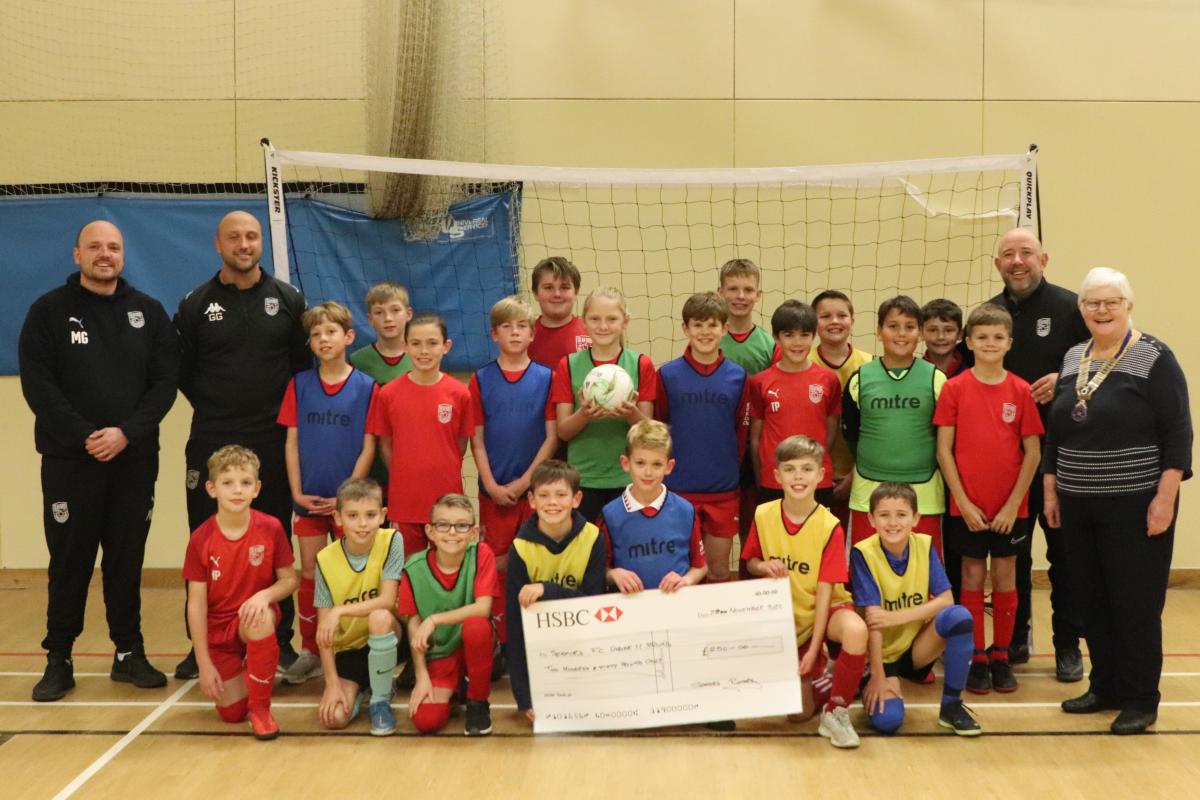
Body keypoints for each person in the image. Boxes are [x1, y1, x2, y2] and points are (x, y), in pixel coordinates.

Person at [20, 220, 179, 701]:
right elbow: (39, 385)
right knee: (69, 560)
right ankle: (59, 657)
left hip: (133, 460)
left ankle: (128, 652)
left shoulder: (148, 313)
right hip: (71, 460)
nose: (104, 254)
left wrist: (126, 433)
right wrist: (87, 436)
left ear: (123, 256)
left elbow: (164, 385)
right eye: (95, 247)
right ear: (76, 255)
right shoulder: (48, 312)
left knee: (126, 560)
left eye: (113, 247)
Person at [1044, 267, 1192, 734]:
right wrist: (1051, 487)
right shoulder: (1073, 357)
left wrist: (1165, 499)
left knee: (1134, 604)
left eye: (1111, 302)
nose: (1101, 311)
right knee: (1092, 600)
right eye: (1092, 303)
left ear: (1129, 305)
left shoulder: (1154, 357)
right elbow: (1057, 432)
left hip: (1136, 504)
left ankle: (1140, 699)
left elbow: (1178, 433)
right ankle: (1104, 686)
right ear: (1082, 310)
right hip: (1076, 502)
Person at [174, 210, 309, 679]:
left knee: (274, 540)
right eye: (235, 237)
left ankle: (280, 641)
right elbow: (182, 371)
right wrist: (218, 408)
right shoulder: (195, 303)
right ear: (218, 244)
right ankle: (202, 646)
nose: (245, 244)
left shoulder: (288, 299)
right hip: (212, 436)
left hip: (271, 439)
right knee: (206, 540)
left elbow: (300, 367)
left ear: (261, 244)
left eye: (252, 236)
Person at [988, 228, 1089, 674]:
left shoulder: (1072, 308)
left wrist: (1064, 380)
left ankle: (1067, 645)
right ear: (998, 265)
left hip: (1063, 457)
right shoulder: (989, 315)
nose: (1017, 261)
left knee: (1065, 556)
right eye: (1008, 254)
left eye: (1025, 253)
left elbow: (1104, 361)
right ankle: (1014, 642)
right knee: (1014, 556)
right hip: (1011, 461)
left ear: (1043, 259)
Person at [935, 304, 1043, 694]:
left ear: (1009, 343)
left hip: (1010, 508)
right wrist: (962, 501)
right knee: (970, 576)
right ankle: (976, 655)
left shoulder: (1020, 390)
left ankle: (1001, 654)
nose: (990, 343)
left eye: (998, 337)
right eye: (982, 337)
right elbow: (944, 450)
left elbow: (1032, 452)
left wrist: (1014, 504)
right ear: (969, 342)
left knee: (1004, 575)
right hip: (968, 507)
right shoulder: (954, 388)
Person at [743, 436, 868, 749]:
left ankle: (836, 711)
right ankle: (827, 678)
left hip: (825, 613)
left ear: (820, 474)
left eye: (806, 469)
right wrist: (763, 567)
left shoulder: (829, 526)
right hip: (785, 618)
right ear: (777, 476)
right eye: (790, 469)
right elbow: (751, 562)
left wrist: (814, 651)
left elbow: (826, 592)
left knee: (856, 631)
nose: (798, 476)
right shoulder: (763, 515)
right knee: (797, 714)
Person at [277, 301, 379, 684]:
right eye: (316, 334)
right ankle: (310, 649)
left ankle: (355, 646)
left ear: (348, 337)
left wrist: (349, 498)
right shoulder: (300, 384)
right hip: (309, 500)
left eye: (331, 332)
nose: (323, 339)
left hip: (348, 504)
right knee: (310, 572)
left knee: (352, 574)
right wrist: (298, 493)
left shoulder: (366, 386)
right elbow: (291, 442)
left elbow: (369, 446)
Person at [183, 446, 298, 739]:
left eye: (245, 483)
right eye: (228, 483)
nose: (237, 490)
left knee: (259, 619)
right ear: (211, 489)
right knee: (232, 713)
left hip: (251, 619)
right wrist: (204, 663)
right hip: (219, 631)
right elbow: (195, 606)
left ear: (257, 488)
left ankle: (261, 710)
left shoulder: (270, 528)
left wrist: (264, 596)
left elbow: (289, 580)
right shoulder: (200, 539)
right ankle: (256, 670)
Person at [850, 482, 979, 736]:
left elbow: (946, 600)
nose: (893, 522)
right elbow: (875, 622)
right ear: (871, 519)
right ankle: (869, 680)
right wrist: (878, 676)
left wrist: (894, 617)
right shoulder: (863, 554)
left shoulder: (924, 545)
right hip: (880, 655)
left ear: (916, 518)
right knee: (888, 722)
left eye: (901, 514)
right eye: (884, 515)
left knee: (959, 617)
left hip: (914, 647)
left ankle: (951, 707)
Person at [469, 295, 557, 659]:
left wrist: (525, 483)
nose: (515, 332)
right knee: (498, 568)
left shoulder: (547, 378)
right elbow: (476, 440)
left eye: (522, 326)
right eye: (507, 326)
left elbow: (551, 437)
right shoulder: (481, 378)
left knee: (540, 563)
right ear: (494, 334)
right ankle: (502, 642)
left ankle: (538, 639)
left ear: (532, 333)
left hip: (535, 492)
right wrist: (490, 484)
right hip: (494, 493)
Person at [654, 292, 749, 584]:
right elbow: (660, 428)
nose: (705, 332)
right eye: (697, 325)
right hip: (678, 491)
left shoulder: (738, 376)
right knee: (679, 575)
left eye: (712, 325)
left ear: (724, 328)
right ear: (685, 329)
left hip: (722, 491)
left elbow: (741, 432)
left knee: (719, 571)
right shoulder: (668, 374)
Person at [842, 296, 946, 554]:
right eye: (893, 326)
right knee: (866, 569)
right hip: (868, 489)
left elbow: (945, 438)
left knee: (923, 574)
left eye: (909, 327)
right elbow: (851, 434)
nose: (901, 334)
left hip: (924, 493)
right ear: (879, 331)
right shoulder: (860, 378)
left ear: (920, 333)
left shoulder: (937, 379)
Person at [506, 460, 607, 719]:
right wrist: (525, 699)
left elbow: (594, 606)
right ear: (531, 500)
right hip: (542, 653)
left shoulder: (593, 537)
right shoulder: (520, 547)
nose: (552, 502)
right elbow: (515, 627)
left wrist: (547, 590)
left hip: (582, 645)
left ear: (577, 499)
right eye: (544, 495)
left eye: (561, 495)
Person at [372, 312, 473, 558]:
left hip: (447, 500)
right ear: (405, 346)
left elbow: (460, 444)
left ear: (446, 347)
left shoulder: (459, 393)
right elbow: (385, 445)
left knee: (449, 568)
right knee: (407, 573)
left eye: (432, 343)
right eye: (416, 344)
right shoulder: (388, 394)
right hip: (405, 502)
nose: (424, 351)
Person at [399, 494, 499, 736]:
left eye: (461, 525)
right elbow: (413, 624)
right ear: (430, 531)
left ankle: (477, 702)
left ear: (474, 532)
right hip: (440, 655)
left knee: (477, 626)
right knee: (426, 721)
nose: (452, 532)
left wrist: (434, 619)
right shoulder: (413, 569)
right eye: (443, 524)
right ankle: (455, 691)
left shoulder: (482, 554)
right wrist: (421, 675)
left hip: (472, 647)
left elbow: (483, 607)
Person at [552, 286, 655, 522]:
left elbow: (649, 433)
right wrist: (584, 414)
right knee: (587, 554)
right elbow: (563, 431)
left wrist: (631, 414)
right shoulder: (568, 365)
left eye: (612, 319)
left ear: (625, 322)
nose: (603, 326)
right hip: (583, 479)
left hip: (630, 478)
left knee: (624, 555)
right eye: (595, 319)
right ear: (583, 322)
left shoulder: (641, 364)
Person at [314, 478, 404, 735]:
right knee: (335, 718)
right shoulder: (325, 559)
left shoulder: (392, 541)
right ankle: (367, 686)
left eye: (370, 515)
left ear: (383, 516)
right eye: (352, 515)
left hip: (391, 635)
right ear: (338, 518)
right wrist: (331, 683)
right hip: (351, 649)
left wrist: (339, 611)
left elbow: (387, 600)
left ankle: (380, 700)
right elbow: (324, 631)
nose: (362, 524)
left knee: (379, 616)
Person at [749, 300, 841, 507]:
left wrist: (816, 464)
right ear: (776, 337)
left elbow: (830, 431)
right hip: (774, 481)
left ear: (813, 336)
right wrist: (761, 477)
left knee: (817, 539)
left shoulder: (828, 380)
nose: (797, 342)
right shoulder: (760, 382)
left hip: (816, 481)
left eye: (804, 335)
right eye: (789, 335)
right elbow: (756, 438)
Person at [603, 420, 708, 594]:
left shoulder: (685, 510)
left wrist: (685, 580)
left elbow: (701, 567)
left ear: (669, 466)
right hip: (631, 610)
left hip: (675, 608)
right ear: (625, 463)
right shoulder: (610, 515)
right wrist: (614, 574)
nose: (648, 472)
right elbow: (600, 571)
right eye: (640, 463)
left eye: (657, 464)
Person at [811, 289, 873, 529]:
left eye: (841, 315)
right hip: (811, 478)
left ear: (852, 321)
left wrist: (854, 475)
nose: (834, 321)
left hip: (860, 476)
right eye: (825, 316)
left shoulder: (871, 365)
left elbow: (874, 431)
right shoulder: (800, 361)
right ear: (813, 322)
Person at [349, 280, 413, 491]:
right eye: (379, 312)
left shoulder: (421, 359)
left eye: (395, 310)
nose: (388, 318)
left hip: (411, 459)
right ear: (369, 319)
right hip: (371, 468)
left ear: (408, 314)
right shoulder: (357, 361)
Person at [527, 256, 591, 369]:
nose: (557, 294)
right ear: (535, 293)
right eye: (548, 288)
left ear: (576, 293)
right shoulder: (524, 336)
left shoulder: (591, 334)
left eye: (564, 287)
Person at [920, 298, 968, 378]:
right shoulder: (914, 373)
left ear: (960, 334)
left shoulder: (972, 373)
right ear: (921, 333)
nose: (940, 337)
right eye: (932, 330)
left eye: (948, 330)